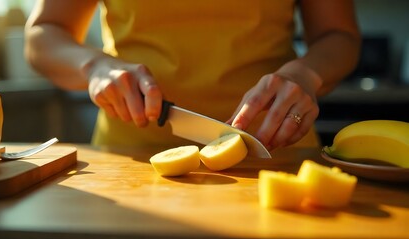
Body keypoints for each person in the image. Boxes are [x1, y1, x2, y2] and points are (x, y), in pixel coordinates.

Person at [24, 0, 360, 150]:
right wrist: (94, 65)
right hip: (132, 158)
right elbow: (43, 33)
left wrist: (305, 74)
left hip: (275, 151)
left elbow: (339, 35)